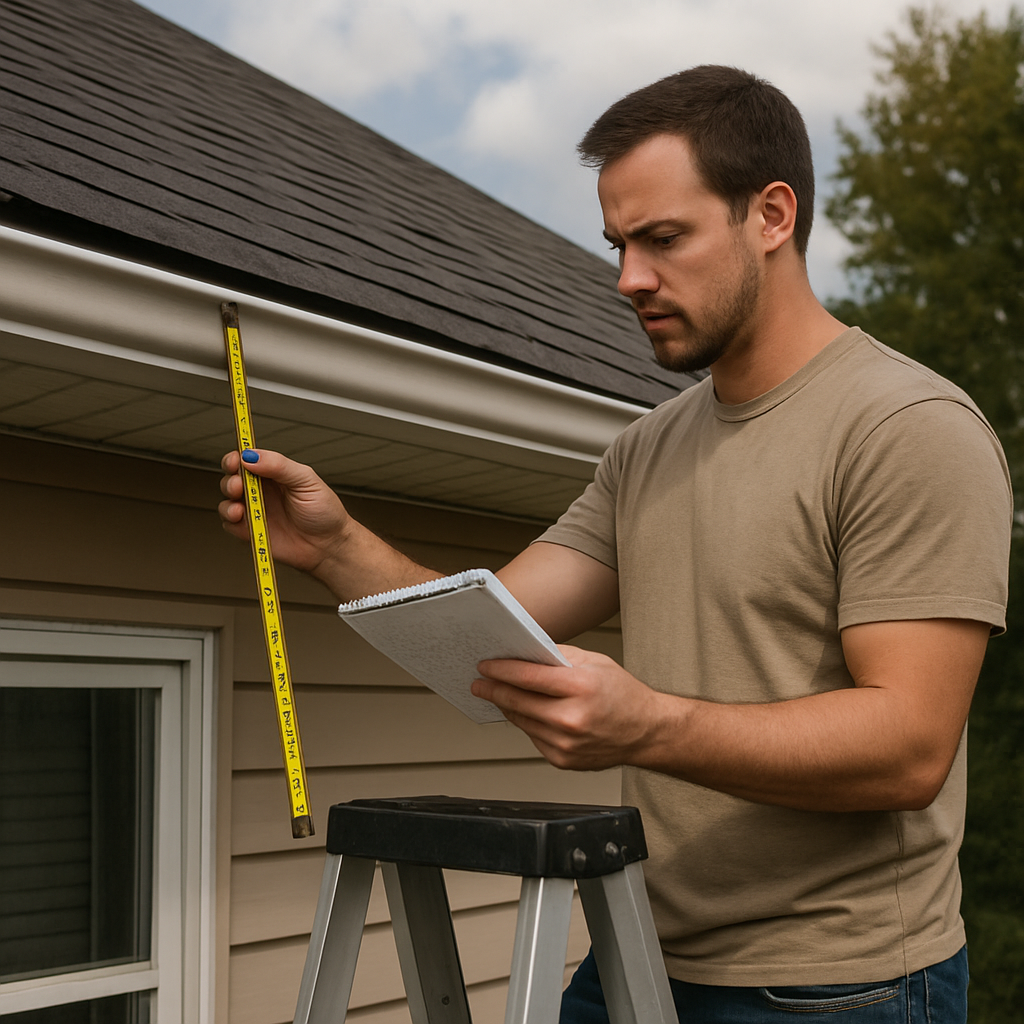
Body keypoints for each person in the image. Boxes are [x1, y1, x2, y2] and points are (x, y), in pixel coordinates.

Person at [220, 66, 1011, 1023]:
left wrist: (649, 725)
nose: (629, 277)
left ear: (771, 215)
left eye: (663, 239)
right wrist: (339, 543)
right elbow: (494, 630)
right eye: (619, 244)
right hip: (637, 953)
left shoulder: (905, 425)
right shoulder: (649, 448)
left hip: (838, 987)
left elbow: (908, 749)